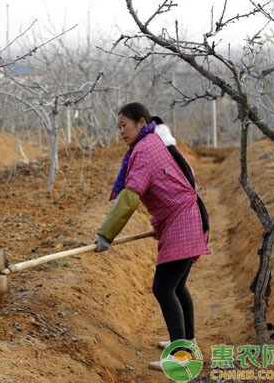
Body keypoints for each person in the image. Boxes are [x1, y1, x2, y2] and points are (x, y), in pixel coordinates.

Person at [93, 102, 212, 371]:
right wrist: (162, 221)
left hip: (184, 221)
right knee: (177, 286)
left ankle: (181, 357)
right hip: (185, 219)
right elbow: (176, 182)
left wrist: (105, 234)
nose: (121, 132)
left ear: (141, 121)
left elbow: (130, 197)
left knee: (163, 287)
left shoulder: (145, 150)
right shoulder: (154, 142)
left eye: (124, 125)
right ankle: (186, 343)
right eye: (118, 127)